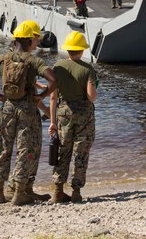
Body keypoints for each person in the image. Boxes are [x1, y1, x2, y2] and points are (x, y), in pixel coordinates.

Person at [0, 20, 58, 205]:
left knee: (3, 148)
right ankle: (20, 192)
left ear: (15, 41)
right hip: (27, 110)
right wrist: (42, 95)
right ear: (29, 40)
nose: (37, 43)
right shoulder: (34, 61)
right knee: (27, 150)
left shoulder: (3, 59)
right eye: (36, 40)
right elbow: (54, 80)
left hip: (7, 109)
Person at [49, 31, 98, 203]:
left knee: (63, 150)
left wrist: (53, 121)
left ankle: (57, 190)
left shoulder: (57, 68)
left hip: (62, 113)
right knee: (81, 152)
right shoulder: (88, 69)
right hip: (84, 115)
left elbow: (53, 97)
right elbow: (91, 96)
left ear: (68, 49)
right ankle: (76, 192)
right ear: (82, 50)